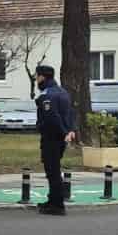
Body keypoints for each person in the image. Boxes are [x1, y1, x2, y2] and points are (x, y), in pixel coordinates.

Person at [34, 64, 78, 215]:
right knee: (54, 168)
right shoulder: (63, 92)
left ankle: (57, 205)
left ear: (42, 77)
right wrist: (70, 130)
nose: (36, 80)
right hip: (60, 137)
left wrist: (64, 131)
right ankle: (52, 199)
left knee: (52, 170)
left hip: (52, 136)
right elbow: (70, 113)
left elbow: (53, 117)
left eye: (37, 76)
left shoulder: (48, 95)